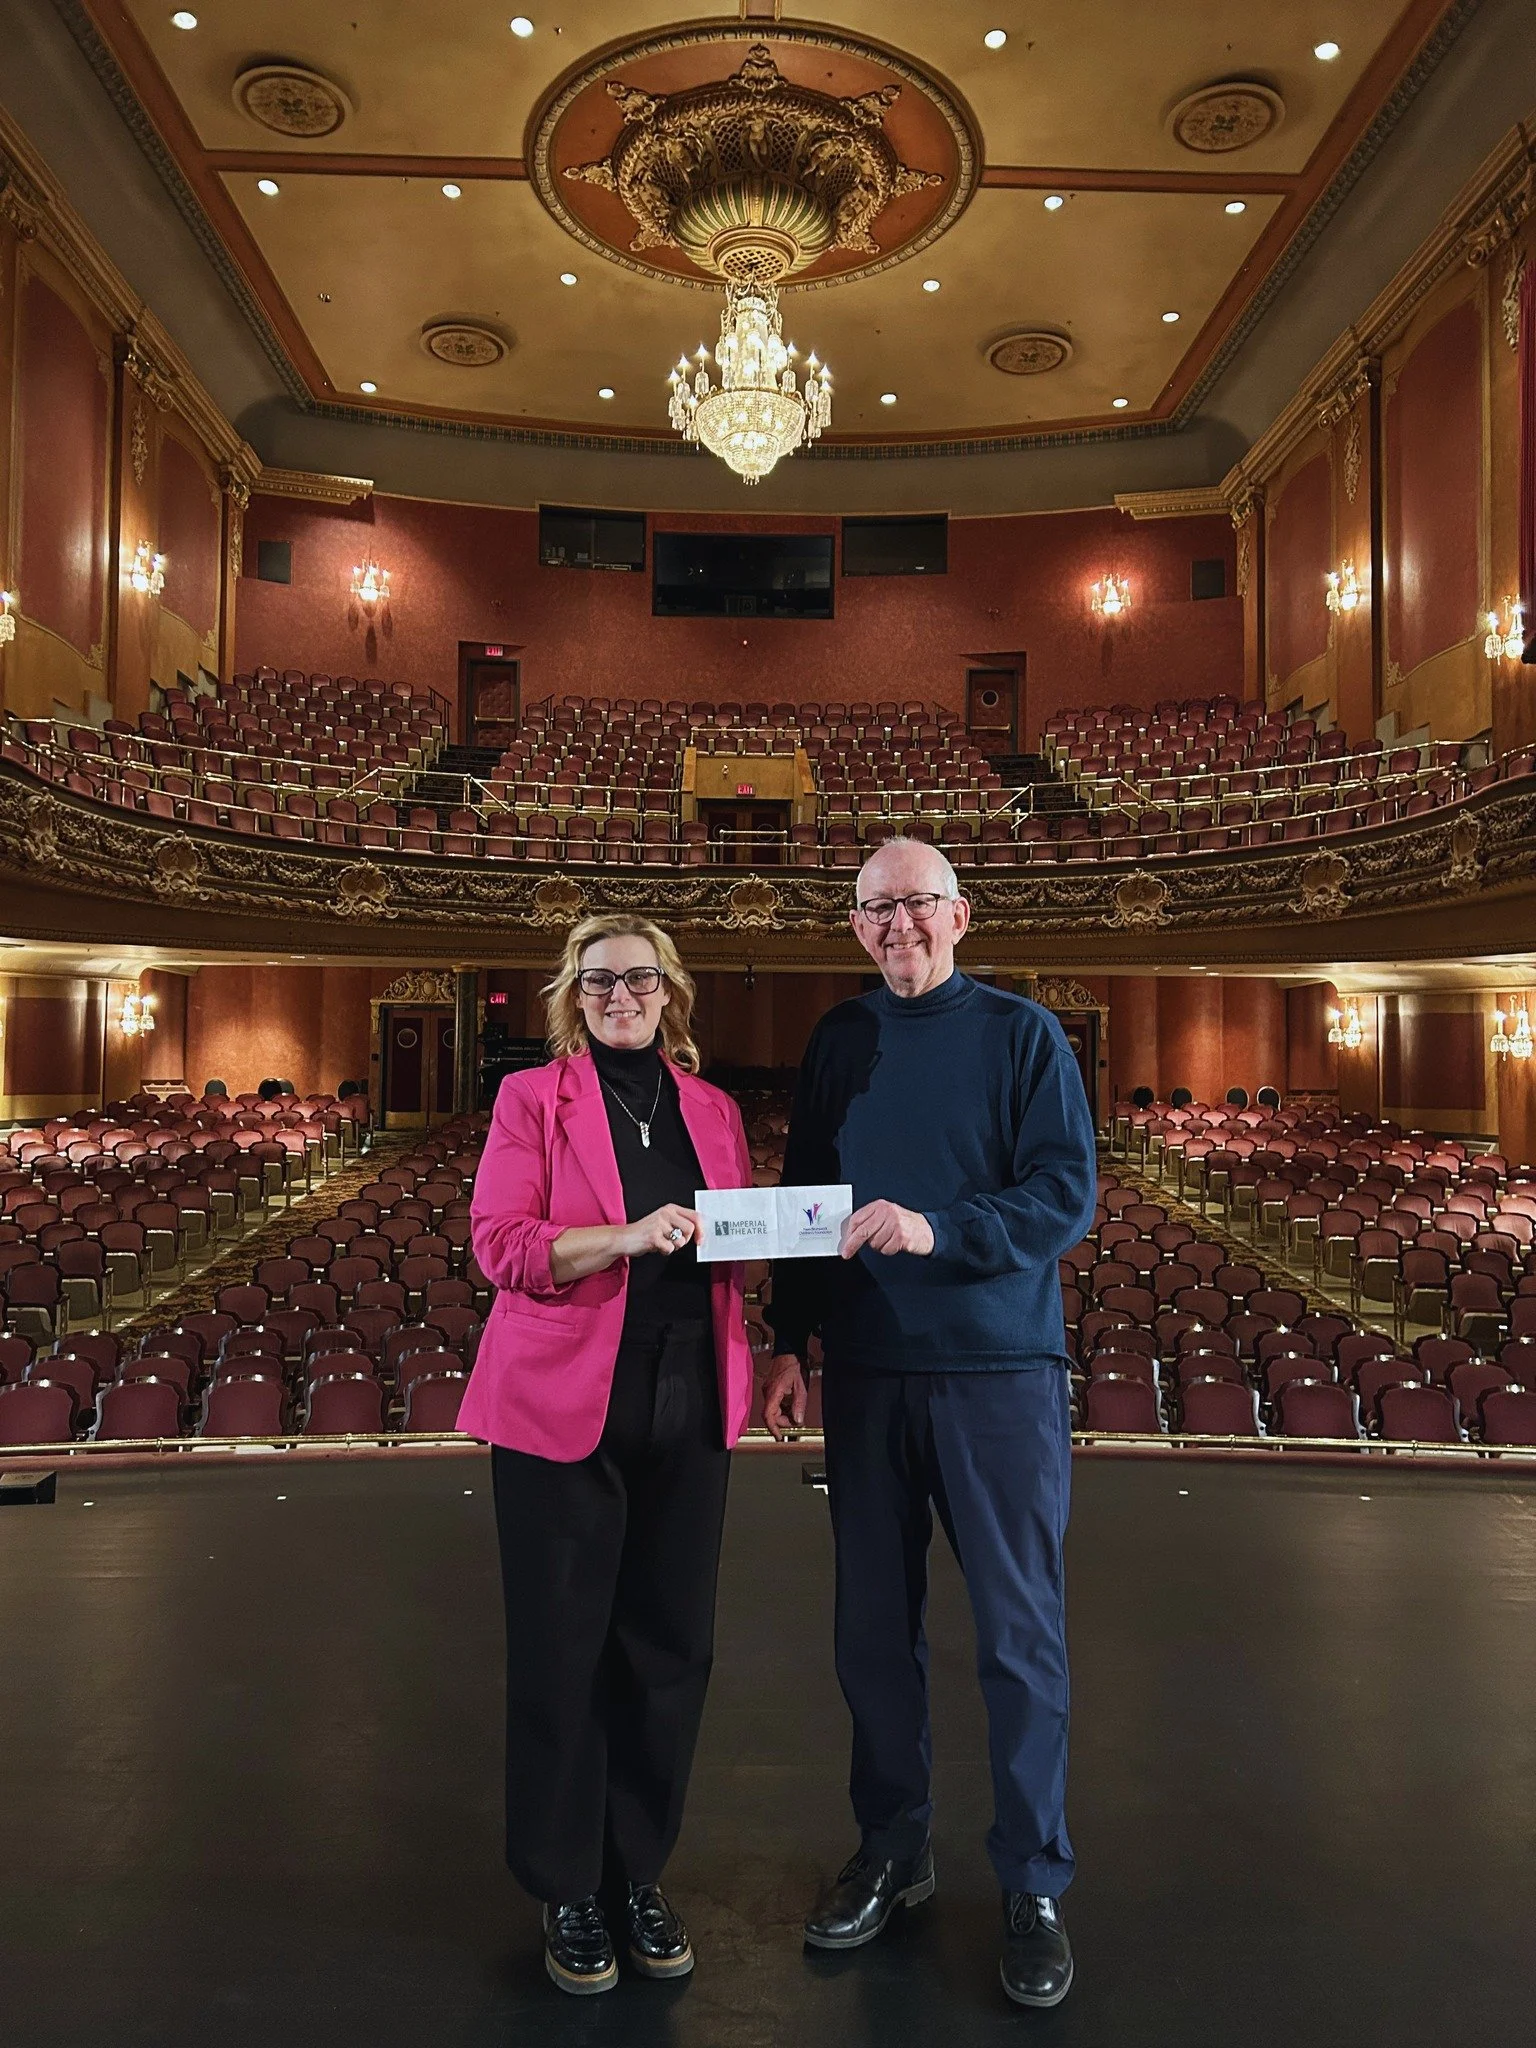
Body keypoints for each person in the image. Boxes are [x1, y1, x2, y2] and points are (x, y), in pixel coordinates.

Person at [761, 836, 1097, 2010]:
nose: (896, 923)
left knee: (1017, 1635)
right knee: (871, 1631)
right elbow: (807, 1186)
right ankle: (895, 1846)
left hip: (998, 1368)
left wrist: (939, 1228)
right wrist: (789, 1339)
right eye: (874, 908)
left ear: (961, 912)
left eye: (916, 903)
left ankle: (1033, 1880)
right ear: (853, 926)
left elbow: (1067, 1190)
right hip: (864, 1370)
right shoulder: (839, 1038)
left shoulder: (1022, 1033)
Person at [460, 913, 755, 1998]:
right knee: (562, 1647)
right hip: (561, 1403)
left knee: (671, 1648)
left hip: (691, 1387)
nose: (617, 995)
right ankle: (565, 1881)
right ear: (573, 998)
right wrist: (623, 1238)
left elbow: (731, 1249)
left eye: (635, 977)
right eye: (597, 982)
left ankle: (638, 1872)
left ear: (669, 990)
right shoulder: (532, 1099)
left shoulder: (715, 1110)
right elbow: (501, 1242)